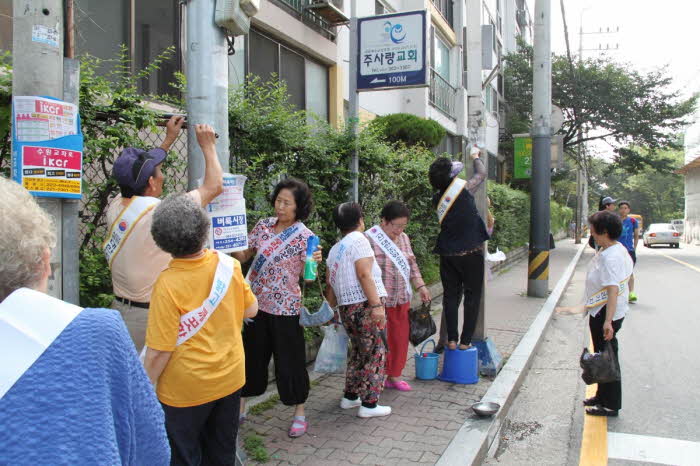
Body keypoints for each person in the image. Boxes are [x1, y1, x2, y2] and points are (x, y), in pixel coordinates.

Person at [0, 178, 170, 465]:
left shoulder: (117, 205)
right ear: (44, 260)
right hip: (142, 312)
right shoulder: (97, 332)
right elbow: (151, 449)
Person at [144, 193, 258, 465]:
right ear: (204, 228)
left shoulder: (167, 284)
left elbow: (160, 351)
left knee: (183, 456)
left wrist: (144, 384)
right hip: (230, 378)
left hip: (184, 391)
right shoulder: (228, 265)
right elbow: (251, 310)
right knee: (221, 453)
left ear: (162, 242)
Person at [105, 118, 223, 352]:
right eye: (159, 171)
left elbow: (141, 169)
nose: (163, 175)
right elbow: (214, 187)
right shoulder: (158, 213)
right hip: (150, 318)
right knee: (155, 384)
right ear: (151, 182)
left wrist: (169, 140)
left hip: (120, 312)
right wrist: (208, 146)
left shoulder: (117, 205)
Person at [232, 178, 321, 438]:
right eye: (278, 201)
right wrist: (228, 237)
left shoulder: (306, 237)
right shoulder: (262, 227)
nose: (280, 207)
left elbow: (309, 279)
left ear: (299, 207)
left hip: (286, 310)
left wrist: (314, 261)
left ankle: (300, 412)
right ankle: (240, 408)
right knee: (250, 357)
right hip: (255, 306)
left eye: (287, 203)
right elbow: (242, 257)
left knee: (291, 362)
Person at [326, 202, 391, 418]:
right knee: (375, 352)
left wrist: (331, 311)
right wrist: (376, 306)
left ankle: (350, 396)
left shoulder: (335, 249)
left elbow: (330, 285)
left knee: (357, 352)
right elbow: (364, 274)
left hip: (346, 308)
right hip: (365, 305)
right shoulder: (360, 240)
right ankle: (370, 404)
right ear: (359, 220)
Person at [365, 201, 431, 392]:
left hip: (401, 298)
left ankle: (393, 376)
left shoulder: (403, 238)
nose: (399, 230)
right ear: (384, 221)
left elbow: (411, 264)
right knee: (378, 342)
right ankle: (375, 377)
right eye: (396, 226)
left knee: (400, 340)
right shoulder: (369, 239)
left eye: (403, 226)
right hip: (380, 302)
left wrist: (421, 285)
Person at [429, 147, 489, 352]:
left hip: (447, 255)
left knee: (450, 297)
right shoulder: (462, 191)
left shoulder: (436, 199)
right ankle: (465, 342)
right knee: (472, 297)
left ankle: (451, 340)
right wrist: (475, 157)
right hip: (471, 253)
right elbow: (480, 175)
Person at [581, 210, 633, 417]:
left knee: (607, 359)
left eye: (593, 230)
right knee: (602, 356)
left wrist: (608, 322)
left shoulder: (612, 257)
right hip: (603, 311)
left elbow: (612, 289)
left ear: (603, 231)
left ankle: (610, 404)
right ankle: (601, 396)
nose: (591, 233)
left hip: (606, 313)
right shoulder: (615, 249)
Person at [617, 201, 640, 303]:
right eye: (622, 208)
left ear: (629, 210)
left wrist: (634, 247)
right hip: (616, 251)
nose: (624, 210)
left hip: (629, 250)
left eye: (626, 208)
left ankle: (631, 293)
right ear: (619, 209)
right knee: (616, 272)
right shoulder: (615, 221)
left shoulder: (633, 221)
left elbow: (636, 235)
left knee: (629, 272)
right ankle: (617, 293)